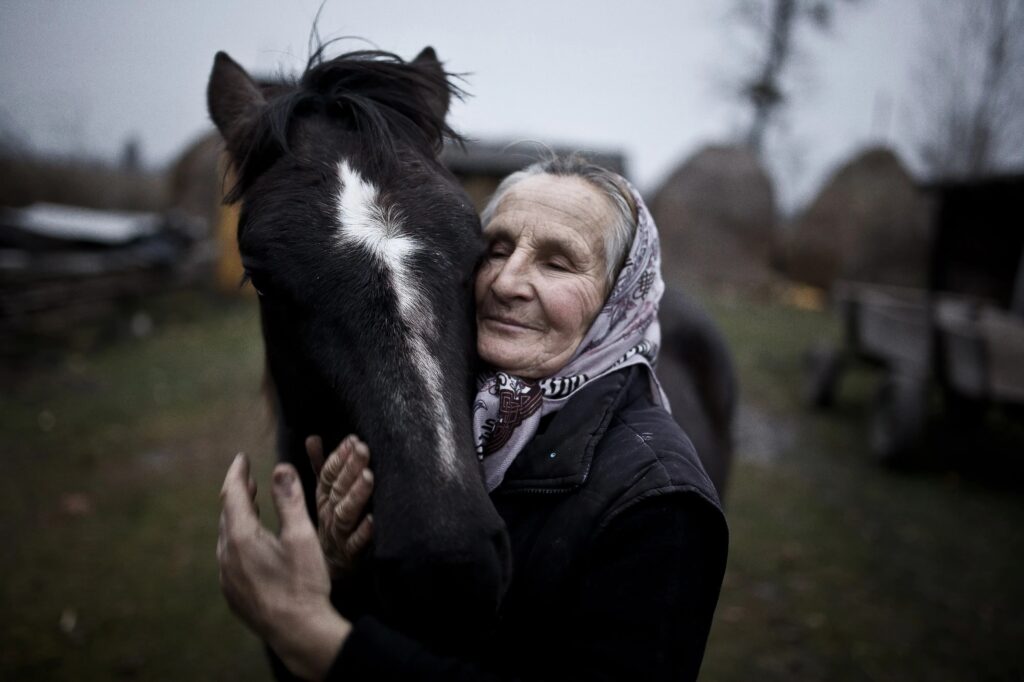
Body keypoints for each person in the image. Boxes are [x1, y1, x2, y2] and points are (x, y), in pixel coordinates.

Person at [217, 157, 728, 680]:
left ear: (622, 298)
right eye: (497, 249)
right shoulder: (434, 417)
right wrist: (344, 575)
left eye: (557, 263)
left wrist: (317, 641)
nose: (507, 282)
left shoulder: (661, 504)